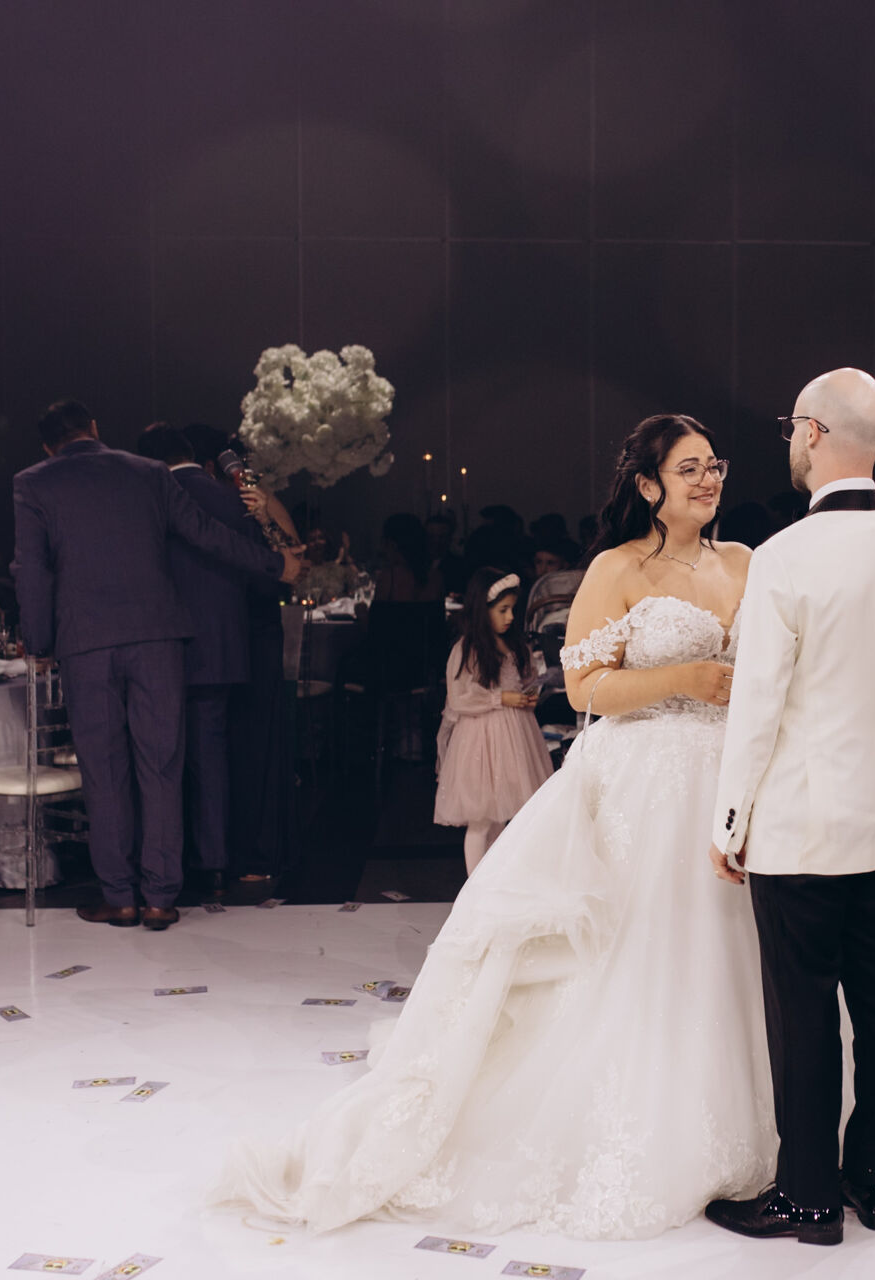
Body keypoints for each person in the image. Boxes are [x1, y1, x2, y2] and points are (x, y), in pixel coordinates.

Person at [212, 412, 773, 1238]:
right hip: (646, 781)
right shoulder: (617, 568)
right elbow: (583, 688)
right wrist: (683, 678)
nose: (707, 480)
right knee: (639, 949)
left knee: (725, 947)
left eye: (714, 465)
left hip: (726, 777)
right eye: (688, 469)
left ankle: (732, 1112)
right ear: (648, 487)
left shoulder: (747, 562)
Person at [703, 369, 875, 1247]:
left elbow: (758, 705)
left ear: (812, 432)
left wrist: (729, 822)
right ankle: (870, 1181)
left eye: (790, 426)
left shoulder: (785, 556)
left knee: (803, 1006)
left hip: (804, 821)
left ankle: (808, 1198)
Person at [11, 401, 299, 931]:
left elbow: (32, 569)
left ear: (47, 446)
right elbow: (207, 533)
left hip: (86, 642)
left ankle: (120, 897)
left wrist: (39, 641)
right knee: (162, 764)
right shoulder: (148, 473)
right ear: (95, 427)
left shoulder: (33, 483)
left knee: (104, 771)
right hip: (159, 639)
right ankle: (162, 898)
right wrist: (275, 564)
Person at [137, 423, 274, 901]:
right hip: (222, 644)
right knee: (210, 756)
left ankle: (163, 863)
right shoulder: (233, 498)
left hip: (161, 643)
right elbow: (258, 565)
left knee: (158, 759)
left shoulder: (152, 497)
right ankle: (213, 860)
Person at [434, 567, 554, 874]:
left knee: (504, 814)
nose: (510, 616)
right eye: (502, 610)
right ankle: (475, 886)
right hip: (482, 739)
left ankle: (496, 879)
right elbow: (459, 698)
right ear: (481, 610)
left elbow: (525, 680)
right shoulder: (468, 649)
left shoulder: (514, 645)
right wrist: (500, 698)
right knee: (481, 818)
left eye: (512, 609)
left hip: (514, 736)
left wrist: (527, 696)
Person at [376, 512, 444, 601]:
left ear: (393, 544)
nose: (383, 548)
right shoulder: (437, 578)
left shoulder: (388, 578)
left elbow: (378, 610)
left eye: (384, 541)